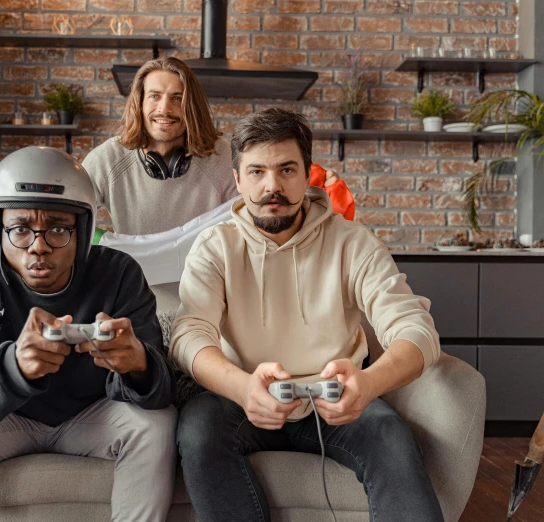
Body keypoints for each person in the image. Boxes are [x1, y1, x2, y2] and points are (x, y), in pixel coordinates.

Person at [170, 108, 443, 522]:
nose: (272, 186)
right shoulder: (214, 247)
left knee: (390, 433)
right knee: (198, 428)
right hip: (245, 399)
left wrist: (368, 384)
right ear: (238, 180)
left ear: (308, 173)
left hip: (337, 402)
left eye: (286, 169)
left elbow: (416, 329)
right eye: (257, 172)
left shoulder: (354, 243)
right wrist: (244, 389)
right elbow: (188, 334)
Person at [0, 146, 177, 522]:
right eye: (20, 229)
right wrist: (11, 366)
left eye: (59, 228)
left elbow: (162, 388)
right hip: (4, 419)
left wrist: (139, 364)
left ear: (83, 231)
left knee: (155, 425)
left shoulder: (119, 274)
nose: (39, 245)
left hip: (91, 418)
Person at [0, 57, 355, 235]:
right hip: (134, 286)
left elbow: (266, 211)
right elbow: (58, 212)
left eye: (176, 97)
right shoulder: (107, 159)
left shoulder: (225, 158)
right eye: (154, 96)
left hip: (211, 285)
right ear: (139, 102)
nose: (164, 109)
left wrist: (327, 192)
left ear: (192, 105)